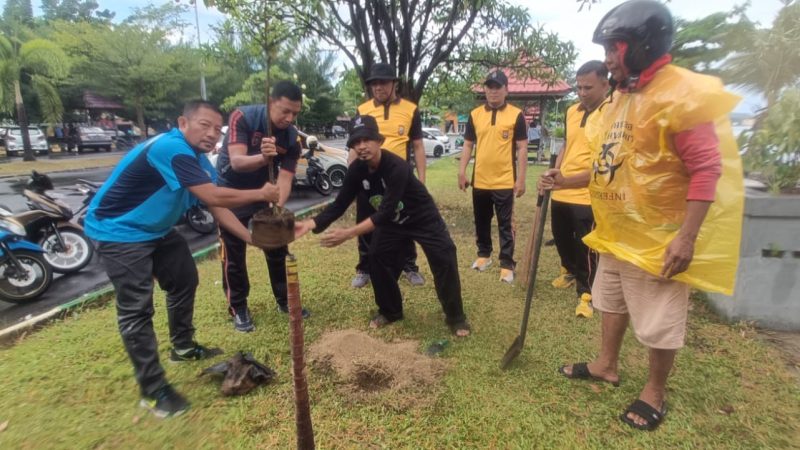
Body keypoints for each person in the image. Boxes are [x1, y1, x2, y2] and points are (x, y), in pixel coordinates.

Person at [551, 0, 743, 431]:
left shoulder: (681, 95)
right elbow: (611, 163)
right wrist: (566, 180)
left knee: (659, 320)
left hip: (659, 237)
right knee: (610, 301)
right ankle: (606, 364)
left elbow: (706, 169)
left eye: (613, 48)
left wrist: (686, 238)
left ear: (641, 46)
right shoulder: (623, 98)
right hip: (617, 231)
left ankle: (655, 390)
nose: (607, 59)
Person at [85, 100, 280, 418]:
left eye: (217, 129)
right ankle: (153, 392)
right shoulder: (170, 148)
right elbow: (214, 195)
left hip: (156, 230)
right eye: (204, 125)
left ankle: (183, 347)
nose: (212, 133)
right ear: (182, 123)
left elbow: (217, 207)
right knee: (136, 309)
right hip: (118, 232)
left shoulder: (199, 160)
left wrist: (251, 239)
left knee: (184, 279)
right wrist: (261, 193)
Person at [295, 115, 470, 337]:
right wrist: (310, 223)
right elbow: (340, 204)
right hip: (392, 223)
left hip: (422, 217)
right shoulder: (356, 170)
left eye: (367, 139)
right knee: (376, 257)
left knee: (444, 257)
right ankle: (390, 311)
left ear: (379, 141)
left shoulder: (397, 166)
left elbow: (385, 210)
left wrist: (348, 233)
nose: (361, 146)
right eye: (356, 142)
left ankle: (456, 317)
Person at [215, 80, 310, 333]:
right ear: (270, 102)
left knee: (277, 246)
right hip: (231, 192)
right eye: (285, 111)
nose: (289, 118)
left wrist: (276, 209)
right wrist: (264, 158)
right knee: (233, 255)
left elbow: (285, 179)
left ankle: (284, 300)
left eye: (295, 113)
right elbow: (237, 161)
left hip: (264, 192)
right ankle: (238, 307)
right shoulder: (243, 117)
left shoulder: (291, 138)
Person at [539, 61, 609, 318]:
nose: (582, 93)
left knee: (586, 247)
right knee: (561, 236)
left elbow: (606, 164)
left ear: (605, 84)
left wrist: (568, 180)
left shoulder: (611, 115)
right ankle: (568, 271)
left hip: (588, 193)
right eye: (578, 87)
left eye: (588, 88)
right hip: (563, 188)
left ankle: (586, 294)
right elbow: (567, 145)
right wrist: (555, 171)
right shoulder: (571, 111)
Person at [350, 62, 427, 289]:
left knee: (404, 221)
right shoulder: (363, 109)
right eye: (374, 83)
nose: (378, 87)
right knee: (365, 220)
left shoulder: (410, 109)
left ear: (394, 84)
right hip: (368, 177)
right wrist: (352, 178)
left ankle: (409, 266)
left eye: (383, 82)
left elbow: (418, 146)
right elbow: (354, 146)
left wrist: (421, 180)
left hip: (399, 178)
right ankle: (364, 268)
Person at [458, 70, 528, 283]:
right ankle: (484, 255)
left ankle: (506, 263)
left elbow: (522, 148)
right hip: (480, 180)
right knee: (481, 220)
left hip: (505, 180)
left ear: (506, 90)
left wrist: (521, 179)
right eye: (490, 87)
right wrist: (462, 171)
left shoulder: (516, 115)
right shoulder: (475, 115)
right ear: (485, 90)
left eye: (498, 87)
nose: (493, 91)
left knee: (505, 224)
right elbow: (468, 144)